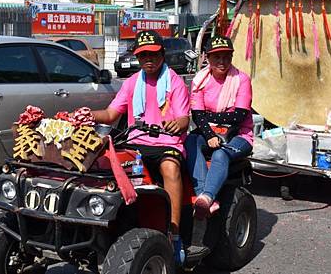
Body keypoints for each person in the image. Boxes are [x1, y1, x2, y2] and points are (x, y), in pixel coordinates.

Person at [90, 30, 190, 263]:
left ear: (162, 55)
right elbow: (111, 113)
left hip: (168, 142)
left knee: (170, 169)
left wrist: (177, 123)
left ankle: (174, 235)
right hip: (138, 142)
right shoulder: (133, 82)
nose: (148, 59)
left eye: (153, 54)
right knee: (109, 168)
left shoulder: (174, 81)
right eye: (143, 54)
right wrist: (87, 114)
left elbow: (185, 118)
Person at [185, 35, 253, 219]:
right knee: (190, 141)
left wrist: (209, 117)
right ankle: (203, 196)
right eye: (217, 57)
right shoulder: (200, 80)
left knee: (220, 154)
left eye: (226, 56)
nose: (222, 62)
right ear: (207, 57)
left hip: (239, 136)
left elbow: (238, 117)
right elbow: (197, 116)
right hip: (210, 133)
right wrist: (209, 135)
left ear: (231, 57)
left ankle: (208, 196)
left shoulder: (242, 80)